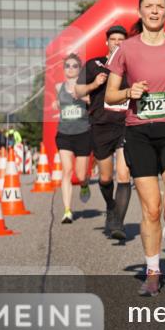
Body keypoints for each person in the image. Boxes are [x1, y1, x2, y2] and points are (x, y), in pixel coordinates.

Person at [106, 0, 165, 297]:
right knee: (151, 209)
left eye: (160, 6)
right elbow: (110, 95)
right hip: (139, 134)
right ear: (141, 11)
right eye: (149, 6)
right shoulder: (126, 50)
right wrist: (128, 94)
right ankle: (153, 272)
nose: (155, 11)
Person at [77, 24, 133, 240]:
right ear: (107, 43)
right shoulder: (94, 64)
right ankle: (110, 206)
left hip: (126, 124)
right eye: (114, 39)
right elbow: (77, 90)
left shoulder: (131, 66)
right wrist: (93, 84)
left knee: (124, 174)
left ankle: (118, 221)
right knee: (106, 177)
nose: (118, 42)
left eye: (122, 39)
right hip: (101, 125)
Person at [54, 53, 92, 223]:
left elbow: (93, 101)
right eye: (67, 66)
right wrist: (57, 105)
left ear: (79, 69)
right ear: (64, 69)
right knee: (67, 170)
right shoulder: (58, 87)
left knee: (81, 174)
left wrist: (83, 97)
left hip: (83, 133)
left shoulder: (84, 87)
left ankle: (84, 185)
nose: (70, 68)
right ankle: (67, 211)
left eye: (74, 66)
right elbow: (57, 103)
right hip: (64, 134)